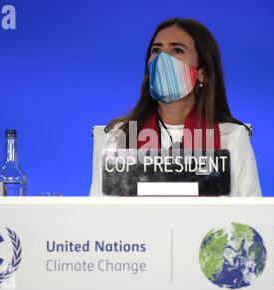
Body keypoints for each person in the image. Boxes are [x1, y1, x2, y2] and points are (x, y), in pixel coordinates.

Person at [90, 18, 261, 197]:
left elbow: (250, 218)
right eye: (156, 50)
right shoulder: (119, 136)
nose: (162, 59)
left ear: (202, 72)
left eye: (176, 50)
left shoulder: (231, 137)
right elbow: (98, 213)